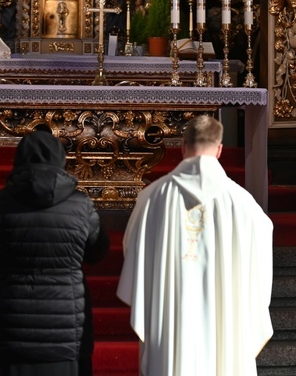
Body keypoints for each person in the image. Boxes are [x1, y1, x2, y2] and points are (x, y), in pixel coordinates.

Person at [117, 115, 274, 376]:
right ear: (220, 149)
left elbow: (133, 249)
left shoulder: (152, 197)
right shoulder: (243, 204)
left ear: (182, 146)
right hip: (224, 320)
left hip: (170, 323)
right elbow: (259, 255)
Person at [0, 130, 109, 376]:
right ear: (61, 159)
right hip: (61, 330)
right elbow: (97, 253)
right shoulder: (81, 206)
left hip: (6, 329)